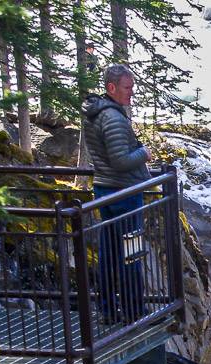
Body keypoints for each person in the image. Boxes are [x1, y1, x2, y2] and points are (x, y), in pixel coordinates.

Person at [82, 64, 151, 324]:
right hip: (125, 194)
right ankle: (135, 312)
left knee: (109, 255)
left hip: (106, 191)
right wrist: (144, 153)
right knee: (131, 253)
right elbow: (121, 160)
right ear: (111, 87)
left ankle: (109, 310)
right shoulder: (113, 118)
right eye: (127, 88)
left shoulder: (97, 113)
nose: (131, 93)